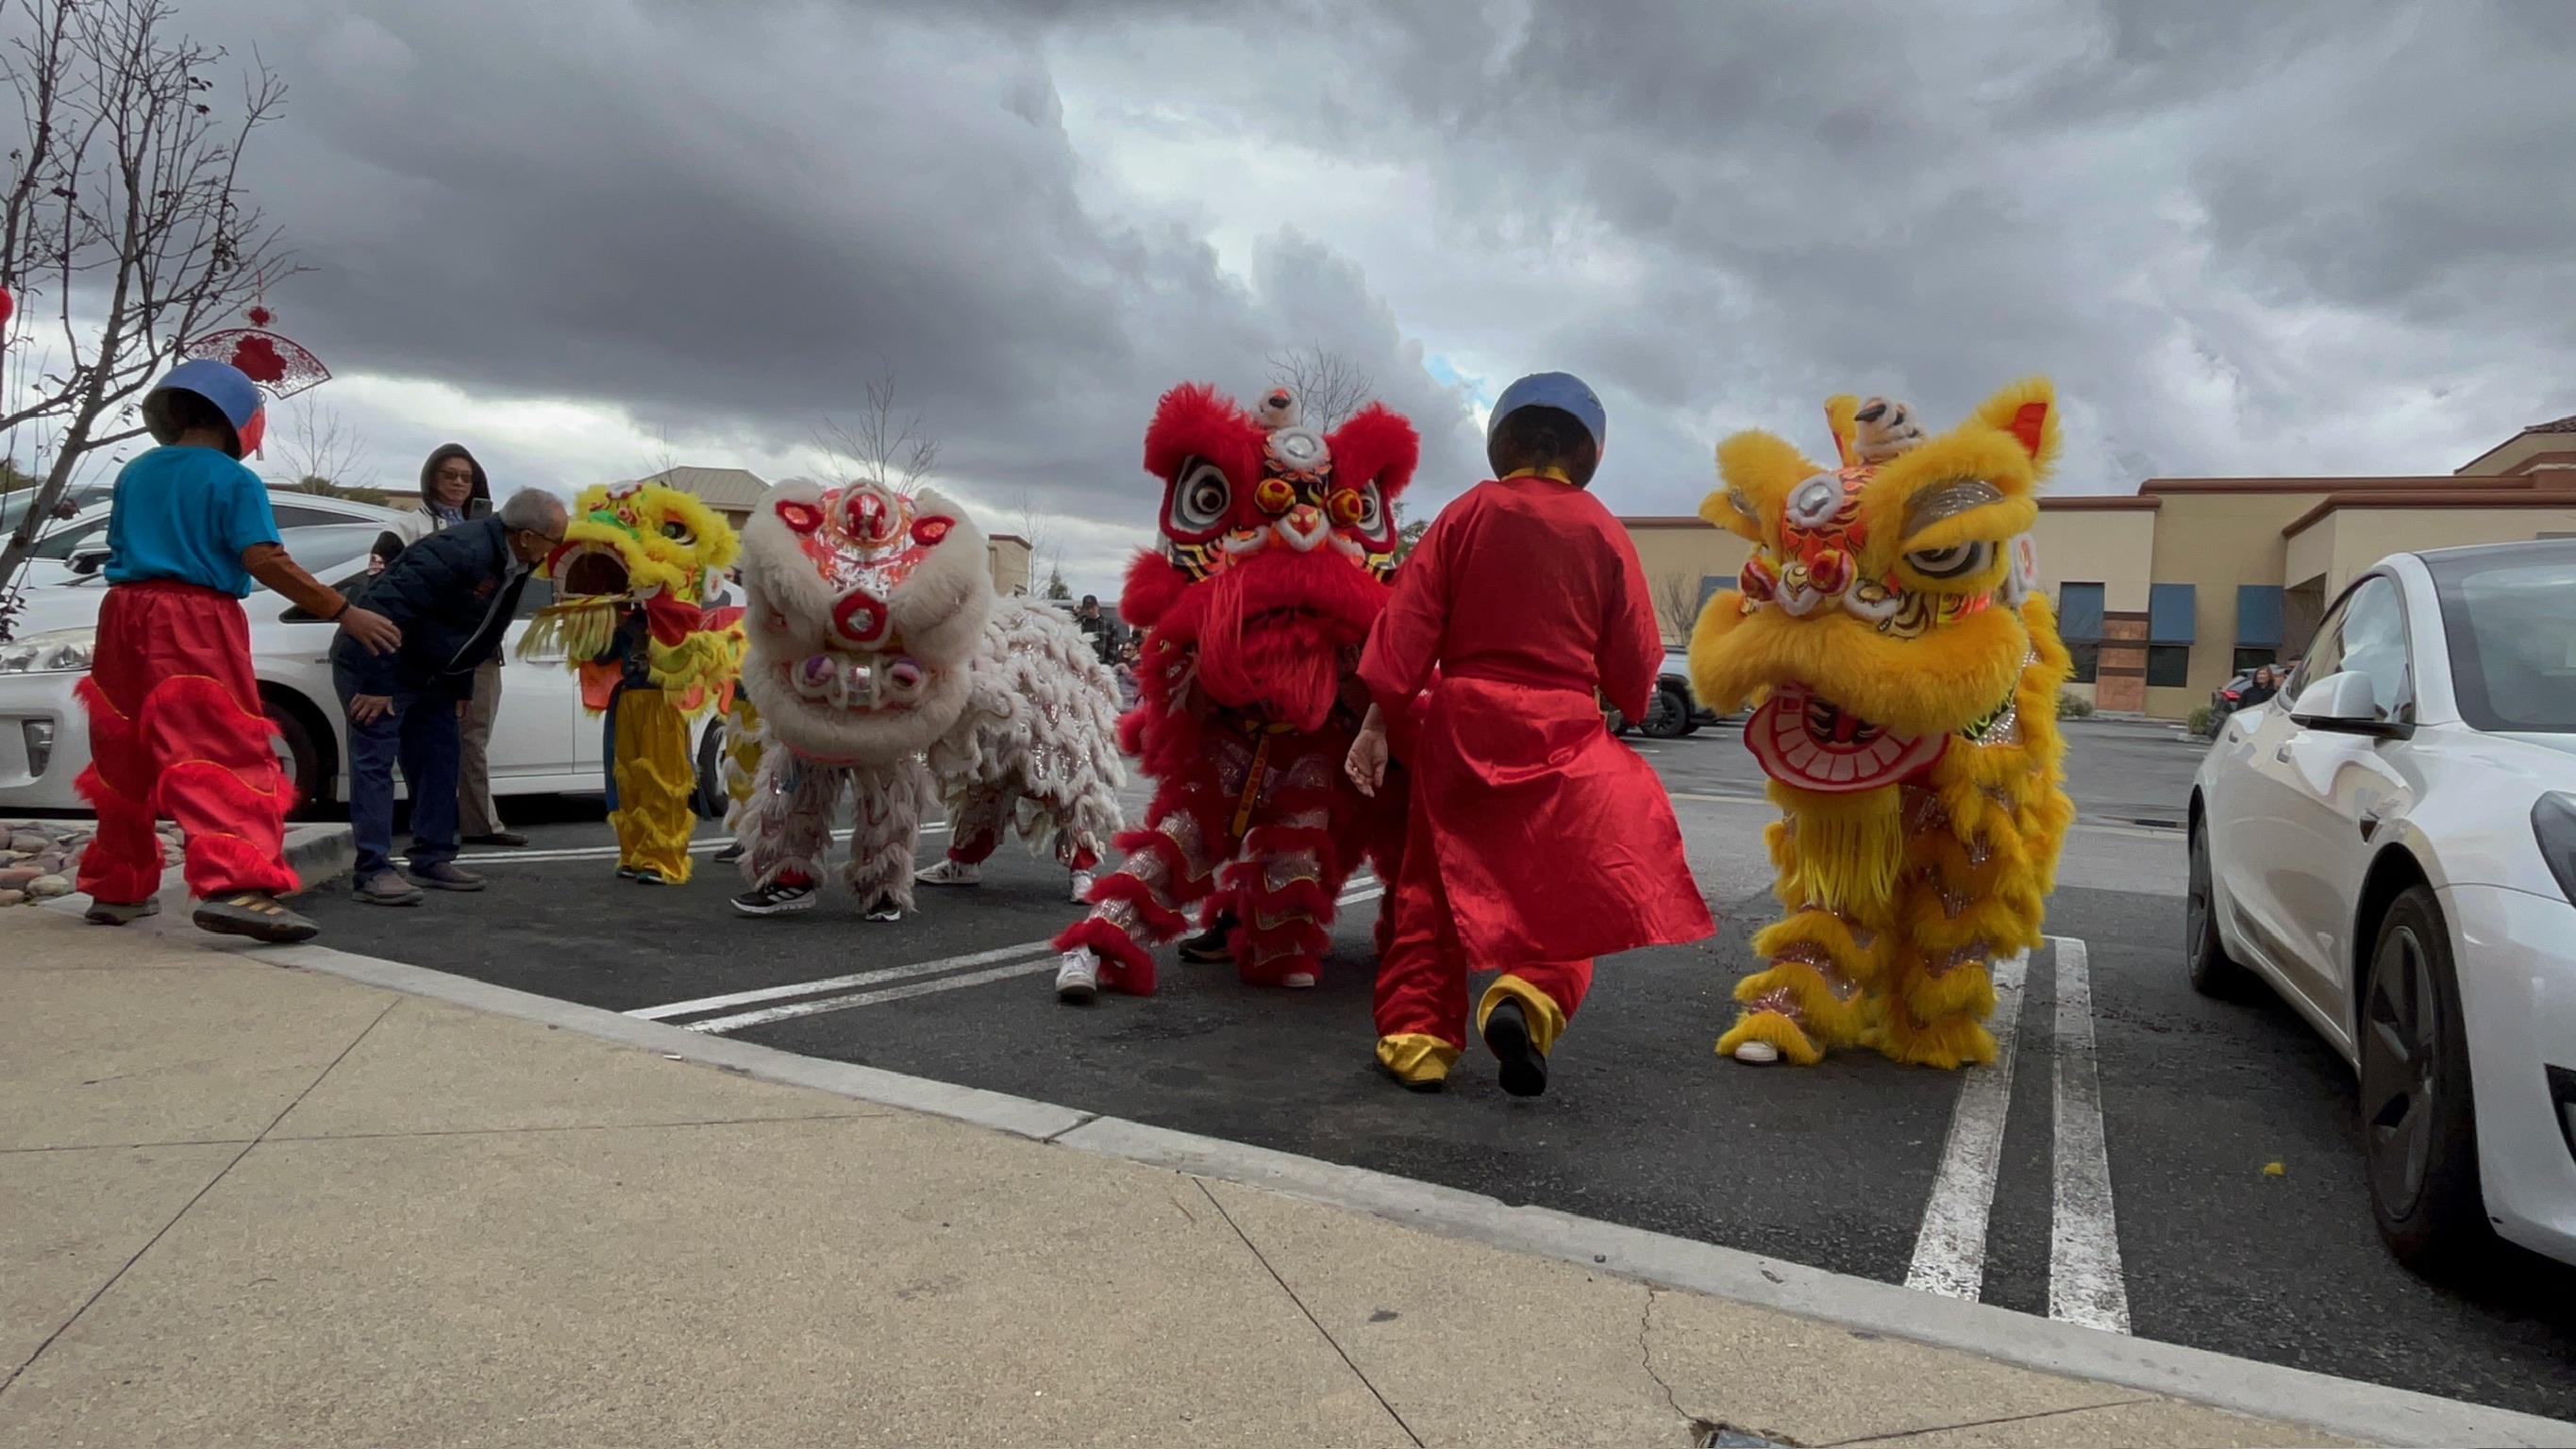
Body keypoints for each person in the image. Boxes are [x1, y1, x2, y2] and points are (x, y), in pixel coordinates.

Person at [1346, 372, 1713, 1095]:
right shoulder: (1602, 529)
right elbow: (1635, 662)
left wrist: (1377, 720)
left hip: (1463, 718)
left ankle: (1418, 1035)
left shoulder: (1465, 513)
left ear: (1503, 441)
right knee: (1567, 880)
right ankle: (1531, 995)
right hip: (1562, 722)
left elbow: (1404, 632)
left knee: (1433, 882)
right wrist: (1624, 699)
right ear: (1585, 451)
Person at [75, 359, 402, 941]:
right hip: (195, 618)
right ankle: (235, 887)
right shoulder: (233, 479)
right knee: (218, 747)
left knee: (124, 750)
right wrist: (343, 610)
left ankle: (117, 886)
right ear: (242, 420)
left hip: (123, 613)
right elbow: (262, 558)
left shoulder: (137, 471)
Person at [331, 488, 566, 905]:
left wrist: (460, 685)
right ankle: (373, 870)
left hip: (432, 672)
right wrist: (377, 685)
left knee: (440, 758)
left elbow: (483, 628)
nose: (557, 550)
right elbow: (382, 610)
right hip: (378, 662)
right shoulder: (457, 551)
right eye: (556, 540)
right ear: (527, 536)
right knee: (375, 761)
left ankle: (432, 856)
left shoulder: (518, 561)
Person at [370, 446, 527, 848]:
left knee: (472, 740)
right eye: (449, 475)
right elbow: (379, 588)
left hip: (477, 654)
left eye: (466, 477)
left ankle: (478, 823)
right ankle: (425, 834)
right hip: (418, 655)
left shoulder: (491, 532)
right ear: (431, 478)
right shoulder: (405, 528)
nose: (458, 483)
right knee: (420, 745)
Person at [1072, 593, 1124, 665]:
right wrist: (1075, 613)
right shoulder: (1078, 624)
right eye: (1087, 608)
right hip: (1081, 665)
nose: (1090, 610)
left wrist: (1107, 667)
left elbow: (1113, 650)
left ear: (1097, 606)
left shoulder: (1109, 625)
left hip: (1101, 665)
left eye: (1092, 607)